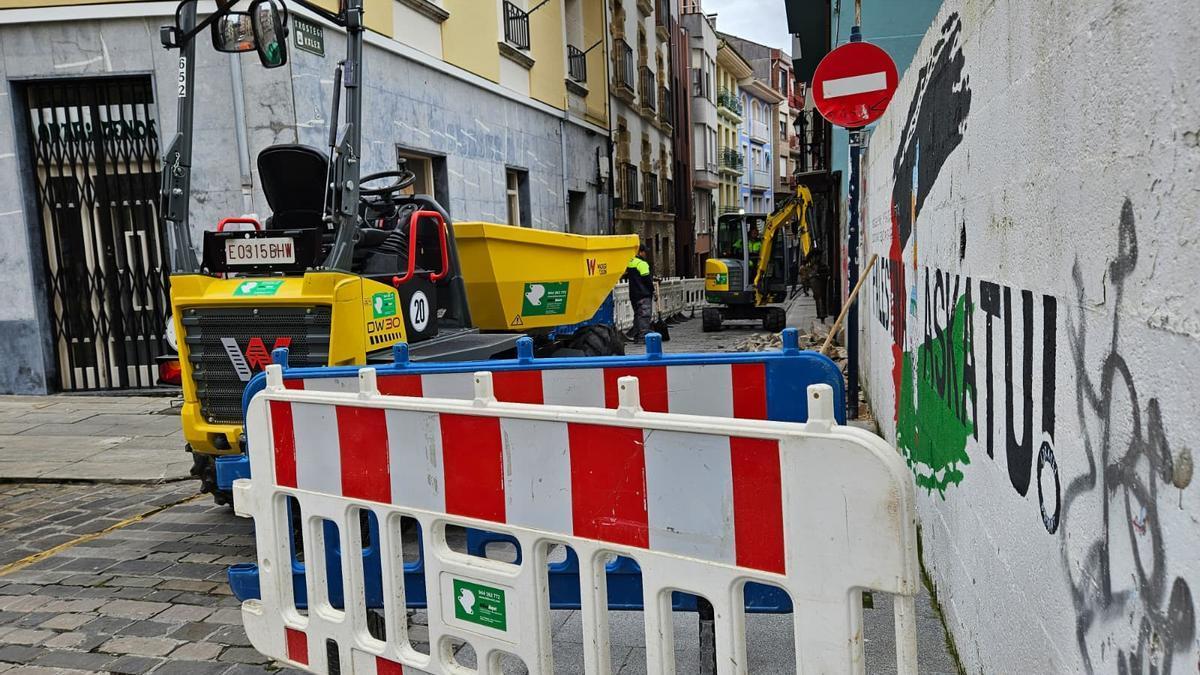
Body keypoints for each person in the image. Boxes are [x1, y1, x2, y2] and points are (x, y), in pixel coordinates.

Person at [623, 245, 654, 339]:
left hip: (633, 295)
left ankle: (636, 334)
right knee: (644, 316)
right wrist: (652, 290)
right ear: (640, 252)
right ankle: (643, 336)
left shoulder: (630, 263)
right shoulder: (642, 264)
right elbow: (646, 279)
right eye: (645, 252)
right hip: (643, 294)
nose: (645, 254)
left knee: (637, 315)